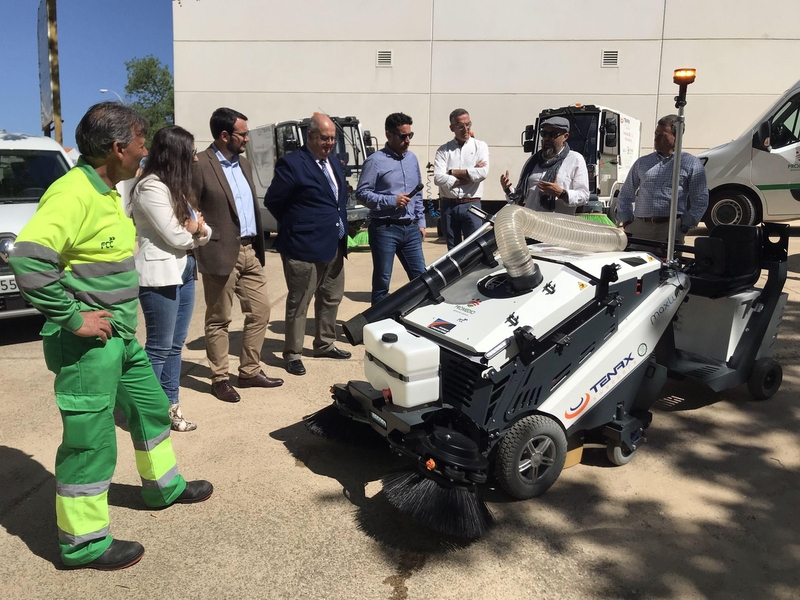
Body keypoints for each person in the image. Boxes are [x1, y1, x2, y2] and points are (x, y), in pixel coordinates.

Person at [8, 102, 212, 571]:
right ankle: (83, 544)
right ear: (118, 148)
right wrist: (75, 319)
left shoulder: (107, 190)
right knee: (91, 441)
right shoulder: (73, 193)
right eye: (141, 144)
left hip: (119, 338)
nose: (145, 152)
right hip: (87, 345)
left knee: (151, 407)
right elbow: (28, 260)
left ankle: (163, 488)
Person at [192, 107, 283, 403]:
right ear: (224, 135)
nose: (246, 138)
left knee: (260, 311)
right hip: (219, 252)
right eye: (242, 133)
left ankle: (249, 371)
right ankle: (219, 378)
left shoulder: (243, 163)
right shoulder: (201, 164)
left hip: (250, 249)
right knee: (219, 319)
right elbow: (190, 207)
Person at [128, 125, 211, 431]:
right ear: (175, 153)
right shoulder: (150, 187)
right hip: (159, 276)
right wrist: (194, 229)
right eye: (190, 152)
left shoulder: (175, 186)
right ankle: (146, 413)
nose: (196, 159)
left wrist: (196, 229)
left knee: (176, 346)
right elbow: (176, 234)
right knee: (159, 348)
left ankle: (170, 410)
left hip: (185, 270)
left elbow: (203, 230)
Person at [264, 114, 351, 376]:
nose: (329, 143)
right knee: (299, 301)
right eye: (325, 138)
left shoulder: (333, 162)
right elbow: (274, 201)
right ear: (310, 136)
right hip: (303, 246)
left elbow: (337, 202)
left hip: (334, 243)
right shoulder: (292, 164)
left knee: (331, 297)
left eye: (333, 139)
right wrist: (298, 225)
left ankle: (324, 343)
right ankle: (292, 353)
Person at [356, 112, 427, 305]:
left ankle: (419, 321)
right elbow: (361, 194)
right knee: (382, 282)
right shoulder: (375, 161)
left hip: (411, 229)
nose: (407, 140)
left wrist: (421, 222)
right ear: (389, 135)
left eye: (410, 135)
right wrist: (391, 201)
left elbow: (418, 193)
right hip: (385, 229)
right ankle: (377, 325)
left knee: (422, 278)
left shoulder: (412, 159)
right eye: (402, 136)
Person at [616, 114, 709, 250]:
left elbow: (700, 198)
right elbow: (626, 193)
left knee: (668, 269)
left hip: (670, 228)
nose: (656, 139)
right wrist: (627, 220)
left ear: (677, 137)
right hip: (640, 228)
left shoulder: (690, 163)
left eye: (662, 136)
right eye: (655, 134)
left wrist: (685, 225)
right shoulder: (642, 162)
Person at [500, 116, 589, 214]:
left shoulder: (575, 159)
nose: (547, 138)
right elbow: (520, 198)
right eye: (544, 134)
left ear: (565, 136)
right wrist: (508, 190)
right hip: (530, 222)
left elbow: (584, 196)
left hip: (557, 225)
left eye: (552, 134)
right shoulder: (533, 161)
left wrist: (561, 193)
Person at [433, 109, 490, 250]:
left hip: (472, 204)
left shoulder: (480, 146)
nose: (466, 129)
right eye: (460, 126)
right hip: (448, 206)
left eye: (468, 124)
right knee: (453, 250)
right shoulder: (443, 150)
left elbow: (482, 173)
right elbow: (438, 178)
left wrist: (452, 172)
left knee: (475, 248)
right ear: (452, 128)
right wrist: (468, 176)